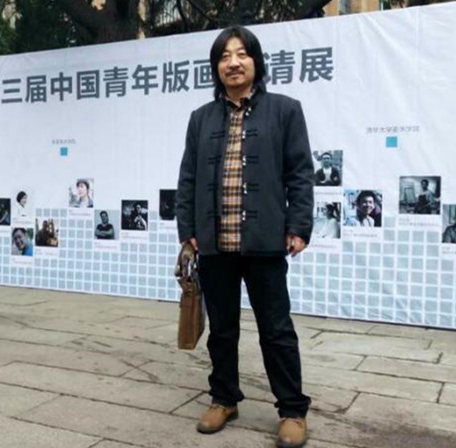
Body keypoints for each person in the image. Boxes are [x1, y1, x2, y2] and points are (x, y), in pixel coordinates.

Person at [175, 26, 313, 448]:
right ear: (216, 68)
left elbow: (300, 173)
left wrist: (299, 226)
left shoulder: (285, 111)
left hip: (265, 241)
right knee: (222, 329)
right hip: (215, 243)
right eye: (224, 56)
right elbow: (188, 179)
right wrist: (188, 232)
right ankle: (224, 398)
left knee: (276, 329)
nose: (233, 63)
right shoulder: (201, 118)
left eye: (241, 54)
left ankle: (292, 410)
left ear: (256, 62)